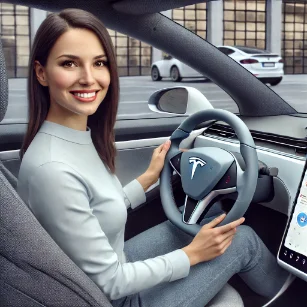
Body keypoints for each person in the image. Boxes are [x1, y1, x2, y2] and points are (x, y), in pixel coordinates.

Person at [17, 8, 289, 307]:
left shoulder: (69, 139)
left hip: (106, 265)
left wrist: (148, 177)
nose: (89, 78)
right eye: (69, 63)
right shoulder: (53, 168)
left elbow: (92, 213)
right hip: (109, 295)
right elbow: (112, 282)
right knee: (244, 240)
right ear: (41, 72)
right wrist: (192, 254)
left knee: (209, 218)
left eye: (99, 63)